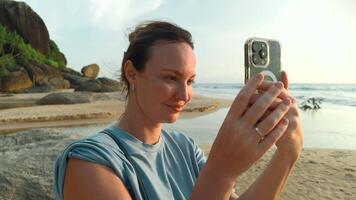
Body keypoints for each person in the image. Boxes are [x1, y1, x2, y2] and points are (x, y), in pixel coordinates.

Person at [54, 21, 303, 200]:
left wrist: (286, 157)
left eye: (190, 81)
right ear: (132, 73)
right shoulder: (89, 162)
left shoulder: (184, 148)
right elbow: (216, 183)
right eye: (171, 78)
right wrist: (221, 173)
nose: (184, 95)